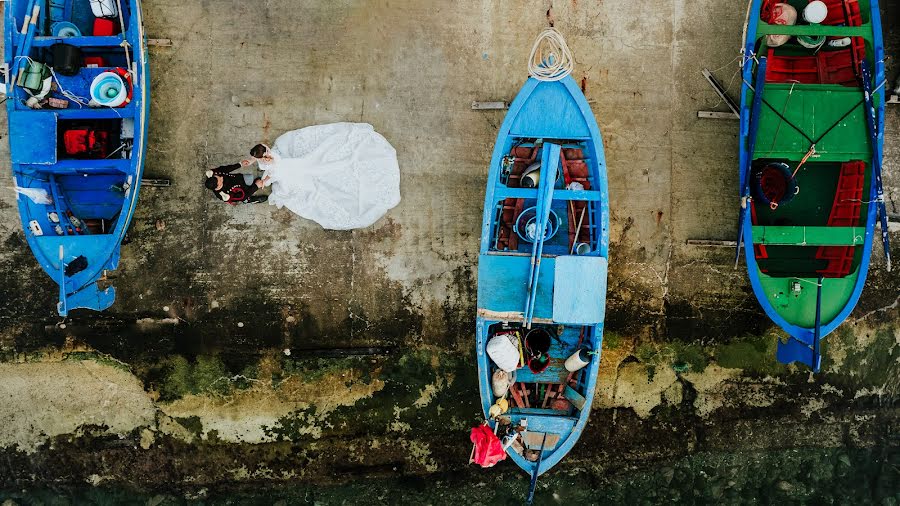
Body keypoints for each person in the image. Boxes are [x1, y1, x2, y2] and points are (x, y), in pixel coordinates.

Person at [204, 159, 270, 204]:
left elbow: (225, 169)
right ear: (218, 186)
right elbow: (243, 196)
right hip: (241, 192)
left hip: (239, 179)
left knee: (250, 178)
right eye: (220, 180)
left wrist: (240, 164)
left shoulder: (215, 173)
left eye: (218, 177)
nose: (221, 177)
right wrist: (256, 186)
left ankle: (254, 183)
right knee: (245, 196)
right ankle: (249, 200)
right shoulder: (225, 194)